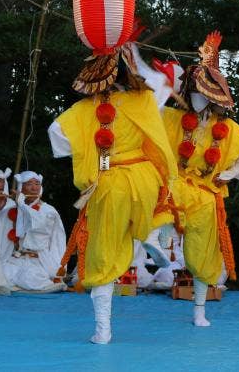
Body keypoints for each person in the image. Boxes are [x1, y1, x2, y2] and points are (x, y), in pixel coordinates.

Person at [48, 43, 177, 344]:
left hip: (109, 180)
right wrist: (134, 55)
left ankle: (103, 331)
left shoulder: (85, 110)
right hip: (144, 177)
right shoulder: (144, 99)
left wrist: (89, 149)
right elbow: (160, 87)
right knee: (160, 205)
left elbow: (56, 134)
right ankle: (147, 231)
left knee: (103, 254)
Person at [156, 31, 239, 326]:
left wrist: (228, 174)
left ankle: (199, 310)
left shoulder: (229, 129)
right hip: (177, 186)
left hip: (207, 195)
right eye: (194, 93)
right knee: (163, 188)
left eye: (203, 94)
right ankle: (160, 232)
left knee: (203, 255)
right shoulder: (172, 119)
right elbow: (149, 131)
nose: (197, 99)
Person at [1, 171, 67, 292]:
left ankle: (46, 283)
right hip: (19, 258)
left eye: (37, 184)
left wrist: (22, 204)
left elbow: (39, 225)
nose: (34, 187)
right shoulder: (16, 209)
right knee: (2, 272)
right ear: (21, 188)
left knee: (30, 277)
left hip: (40, 260)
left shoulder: (47, 210)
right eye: (29, 184)